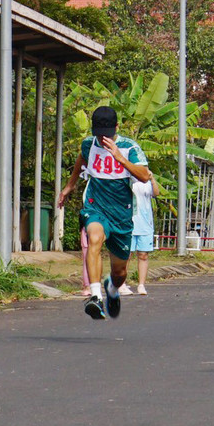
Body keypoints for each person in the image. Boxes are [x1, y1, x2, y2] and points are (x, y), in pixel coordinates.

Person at [56, 105, 153, 321]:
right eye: (99, 134)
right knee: (95, 238)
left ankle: (111, 288)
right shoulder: (89, 144)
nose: (102, 139)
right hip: (95, 205)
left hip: (122, 212)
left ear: (117, 128)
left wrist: (119, 157)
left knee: (120, 273)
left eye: (107, 134)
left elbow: (145, 176)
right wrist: (69, 187)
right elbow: (80, 161)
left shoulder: (130, 147)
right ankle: (96, 297)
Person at [122, 174, 162, 295]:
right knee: (126, 255)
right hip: (129, 223)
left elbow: (156, 193)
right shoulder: (127, 178)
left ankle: (141, 285)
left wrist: (152, 178)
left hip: (145, 224)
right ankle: (121, 284)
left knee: (143, 255)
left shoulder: (146, 181)